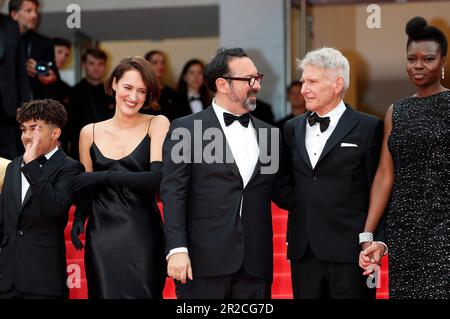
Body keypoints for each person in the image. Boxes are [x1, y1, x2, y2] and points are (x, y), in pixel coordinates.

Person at [161, 47, 289, 299]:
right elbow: (173, 192)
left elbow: (283, 192)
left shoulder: (270, 134)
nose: (257, 86)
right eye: (249, 79)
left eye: (258, 78)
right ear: (222, 84)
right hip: (202, 262)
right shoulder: (186, 129)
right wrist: (176, 248)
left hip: (255, 265)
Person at [281, 47, 385, 299]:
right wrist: (299, 206)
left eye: (312, 81)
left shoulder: (369, 126)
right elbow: (283, 181)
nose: (304, 89)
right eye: (304, 81)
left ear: (337, 84)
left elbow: (379, 186)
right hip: (303, 251)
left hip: (351, 251)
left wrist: (376, 240)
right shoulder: (291, 127)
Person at [359, 16, 450, 299]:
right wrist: (367, 234)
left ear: (443, 61)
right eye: (412, 59)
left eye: (428, 59)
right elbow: (385, 175)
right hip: (405, 227)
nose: (418, 66)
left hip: (444, 224)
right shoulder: (395, 112)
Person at [70, 56, 168, 299]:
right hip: (102, 235)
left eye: (142, 91)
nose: (134, 97)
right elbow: (86, 185)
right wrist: (79, 217)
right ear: (114, 84)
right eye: (128, 87)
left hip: (143, 234)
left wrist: (104, 177)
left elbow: (157, 180)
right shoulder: (88, 132)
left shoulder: (157, 123)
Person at [0, 99, 83, 299]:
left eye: (35, 129)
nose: (27, 136)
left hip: (43, 280)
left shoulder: (70, 168)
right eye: (23, 129)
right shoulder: (13, 166)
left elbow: (55, 207)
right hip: (6, 280)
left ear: (55, 133)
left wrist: (31, 165)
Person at [66, 48, 114, 160]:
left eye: (100, 64)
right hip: (79, 153)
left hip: (108, 153)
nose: (96, 68)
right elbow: (67, 127)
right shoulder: (72, 93)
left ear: (105, 66)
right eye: (92, 63)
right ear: (83, 65)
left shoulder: (113, 94)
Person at [9, 0, 58, 100]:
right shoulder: (2, 40)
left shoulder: (45, 43)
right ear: (14, 14)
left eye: (36, 11)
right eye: (28, 11)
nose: (34, 15)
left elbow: (54, 75)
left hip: (35, 107)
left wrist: (47, 75)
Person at [0, 12, 31, 160]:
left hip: (7, 108)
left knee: (8, 159)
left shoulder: (11, 25)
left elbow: (20, 71)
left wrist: (24, 106)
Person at [143, 50, 177, 117]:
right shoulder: (141, 91)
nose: (160, 66)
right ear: (146, 65)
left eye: (163, 62)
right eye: (155, 62)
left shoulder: (171, 93)